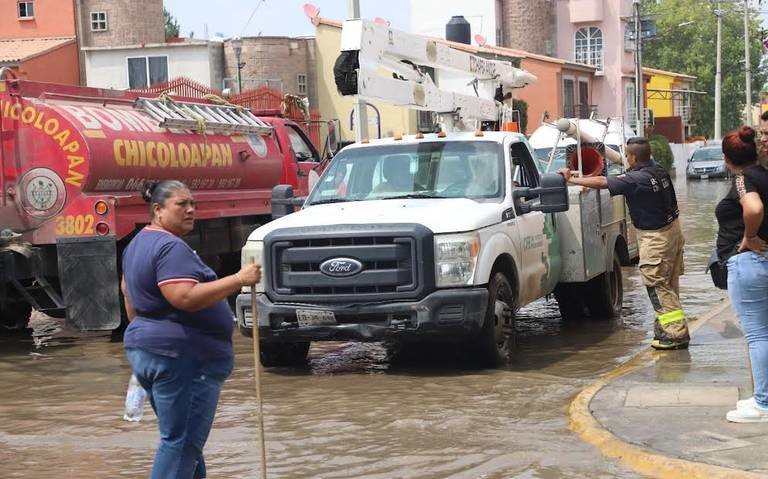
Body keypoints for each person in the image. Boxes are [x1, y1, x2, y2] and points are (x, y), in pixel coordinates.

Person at [121, 180, 261, 478]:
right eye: (181, 204)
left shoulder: (138, 243)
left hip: (152, 352)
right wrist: (239, 279)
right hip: (181, 358)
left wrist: (147, 337)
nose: (191, 210)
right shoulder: (170, 247)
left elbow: (127, 294)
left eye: (192, 204)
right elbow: (182, 297)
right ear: (158, 210)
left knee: (185, 444)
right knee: (181, 443)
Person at [558, 136, 689, 350]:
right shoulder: (657, 170)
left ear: (634, 158)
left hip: (655, 238)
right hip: (673, 231)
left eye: (627, 155)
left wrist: (570, 179)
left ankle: (676, 333)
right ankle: (668, 328)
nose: (625, 158)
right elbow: (617, 180)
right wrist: (585, 181)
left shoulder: (637, 179)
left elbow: (603, 182)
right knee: (669, 284)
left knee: (655, 283)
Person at [715, 127, 768, 423]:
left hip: (750, 263)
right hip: (761, 262)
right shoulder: (763, 174)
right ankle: (762, 396)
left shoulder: (743, 179)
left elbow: (754, 207)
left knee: (759, 337)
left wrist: (748, 236)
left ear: (726, 159)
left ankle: (763, 404)